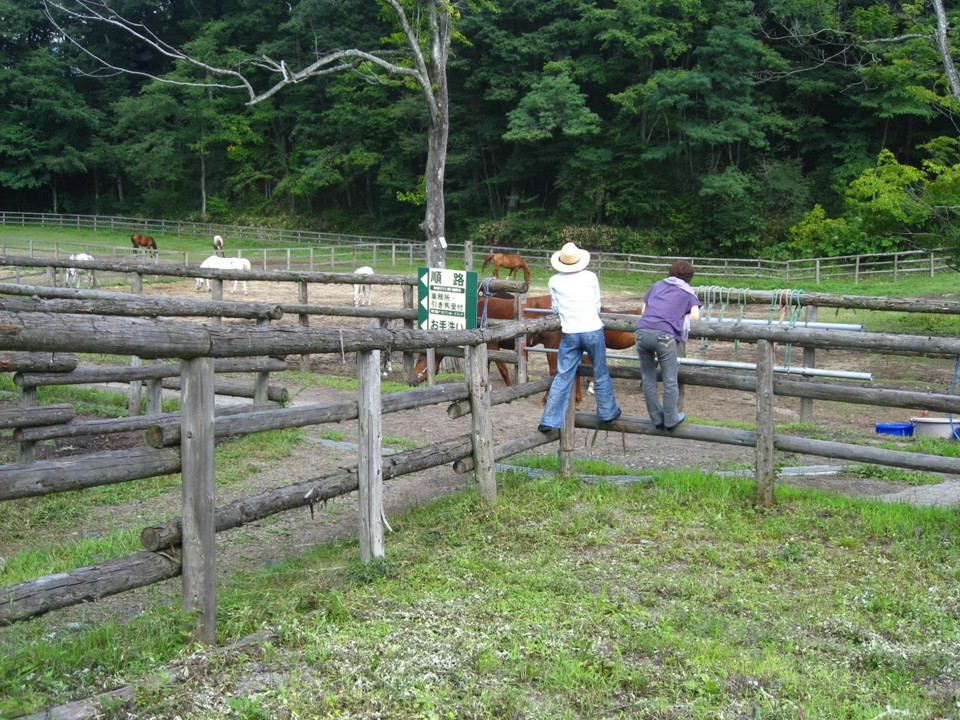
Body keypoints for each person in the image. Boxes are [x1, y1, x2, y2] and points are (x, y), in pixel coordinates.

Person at [538, 243, 621, 432]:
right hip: (592, 328)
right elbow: (597, 303)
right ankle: (607, 412)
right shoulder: (591, 277)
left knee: (563, 375)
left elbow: (556, 308)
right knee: (600, 371)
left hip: (570, 331)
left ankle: (549, 420)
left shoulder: (554, 281)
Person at [635, 260, 701, 431]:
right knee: (670, 379)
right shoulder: (688, 292)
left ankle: (656, 418)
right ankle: (671, 419)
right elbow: (695, 315)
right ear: (690, 277)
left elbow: (643, 311)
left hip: (642, 332)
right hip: (664, 336)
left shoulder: (657, 285)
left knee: (648, 378)